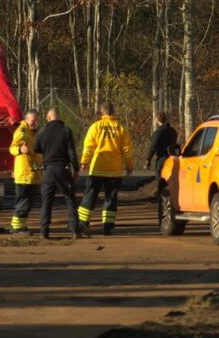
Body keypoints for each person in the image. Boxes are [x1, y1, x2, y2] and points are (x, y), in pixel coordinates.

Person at [78, 102, 133, 236]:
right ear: (113, 113)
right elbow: (127, 149)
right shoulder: (120, 128)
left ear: (101, 113)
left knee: (90, 195)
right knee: (111, 197)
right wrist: (129, 165)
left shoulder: (95, 126)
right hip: (114, 169)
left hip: (98, 167)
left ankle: (82, 223)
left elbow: (88, 146)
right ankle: (107, 226)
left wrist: (84, 162)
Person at [33, 108, 81, 239]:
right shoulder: (66, 130)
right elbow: (71, 152)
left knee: (46, 201)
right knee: (70, 199)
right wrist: (75, 169)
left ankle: (44, 231)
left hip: (48, 170)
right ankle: (75, 230)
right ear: (58, 117)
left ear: (48, 118)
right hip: (63, 169)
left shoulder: (42, 132)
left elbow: (36, 148)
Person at [9, 110, 42, 235]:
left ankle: (20, 226)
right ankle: (17, 227)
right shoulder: (22, 131)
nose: (35, 122)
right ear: (26, 119)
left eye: (36, 120)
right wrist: (20, 149)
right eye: (32, 120)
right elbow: (12, 148)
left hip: (32, 173)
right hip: (24, 174)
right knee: (23, 201)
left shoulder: (33, 133)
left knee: (27, 202)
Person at [145, 111, 178, 178]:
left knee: (159, 179)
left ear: (157, 120)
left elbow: (153, 147)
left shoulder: (158, 133)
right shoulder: (173, 131)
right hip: (172, 158)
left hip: (162, 159)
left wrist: (148, 159)